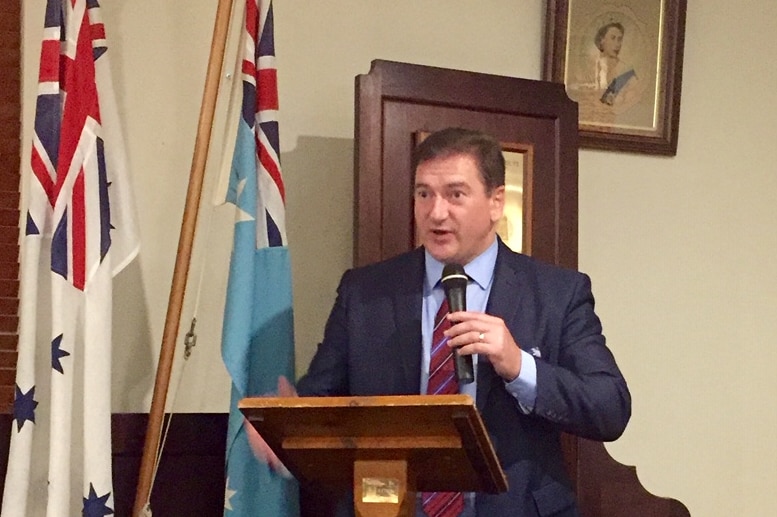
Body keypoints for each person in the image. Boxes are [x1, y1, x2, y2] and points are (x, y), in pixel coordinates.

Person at [289, 127, 631, 516]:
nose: (436, 213)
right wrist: (286, 424)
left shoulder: (556, 293)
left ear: (496, 202)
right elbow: (318, 399)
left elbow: (611, 408)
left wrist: (520, 366)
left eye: (455, 194)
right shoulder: (365, 292)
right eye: (424, 194)